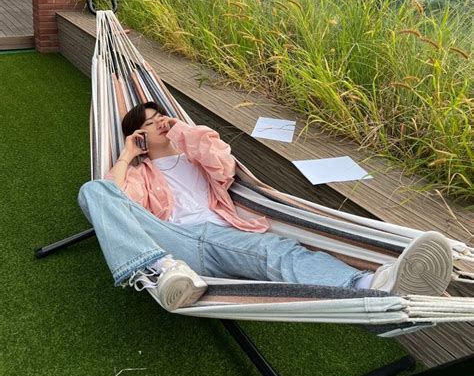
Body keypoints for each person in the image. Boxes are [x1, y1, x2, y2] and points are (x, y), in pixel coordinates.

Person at [78, 102, 454, 311]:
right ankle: (159, 269)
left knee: (277, 251)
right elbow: (116, 201)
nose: (162, 124)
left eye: (163, 117)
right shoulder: (141, 173)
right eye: (152, 123)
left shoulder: (194, 156)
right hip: (172, 240)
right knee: (92, 191)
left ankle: (369, 286)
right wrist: (128, 154)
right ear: (138, 135)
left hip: (219, 236)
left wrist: (181, 131)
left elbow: (222, 163)